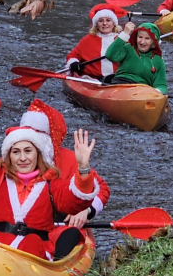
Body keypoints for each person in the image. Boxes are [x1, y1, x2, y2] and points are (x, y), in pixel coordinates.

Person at [0, 103, 101, 260]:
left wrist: (84, 168)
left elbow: (77, 200)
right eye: (16, 152)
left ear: (37, 154)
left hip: (31, 255)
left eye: (28, 151)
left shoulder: (51, 183)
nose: (23, 158)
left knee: (33, 243)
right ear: (9, 156)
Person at [18, 98, 110, 228]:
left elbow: (102, 189)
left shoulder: (71, 160)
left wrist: (86, 211)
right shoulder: (12, 160)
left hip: (62, 227)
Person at [104, 21, 167, 94]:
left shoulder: (158, 59)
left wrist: (155, 93)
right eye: (140, 37)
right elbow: (110, 55)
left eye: (147, 38)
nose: (142, 42)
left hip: (142, 91)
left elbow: (161, 85)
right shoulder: (128, 48)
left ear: (153, 42)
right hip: (121, 84)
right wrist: (125, 34)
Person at [65, 4, 122, 81]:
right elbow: (72, 56)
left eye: (108, 20)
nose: (105, 23)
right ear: (96, 24)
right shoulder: (87, 40)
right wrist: (74, 64)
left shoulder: (122, 40)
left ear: (113, 23)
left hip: (118, 79)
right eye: (101, 21)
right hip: (93, 80)